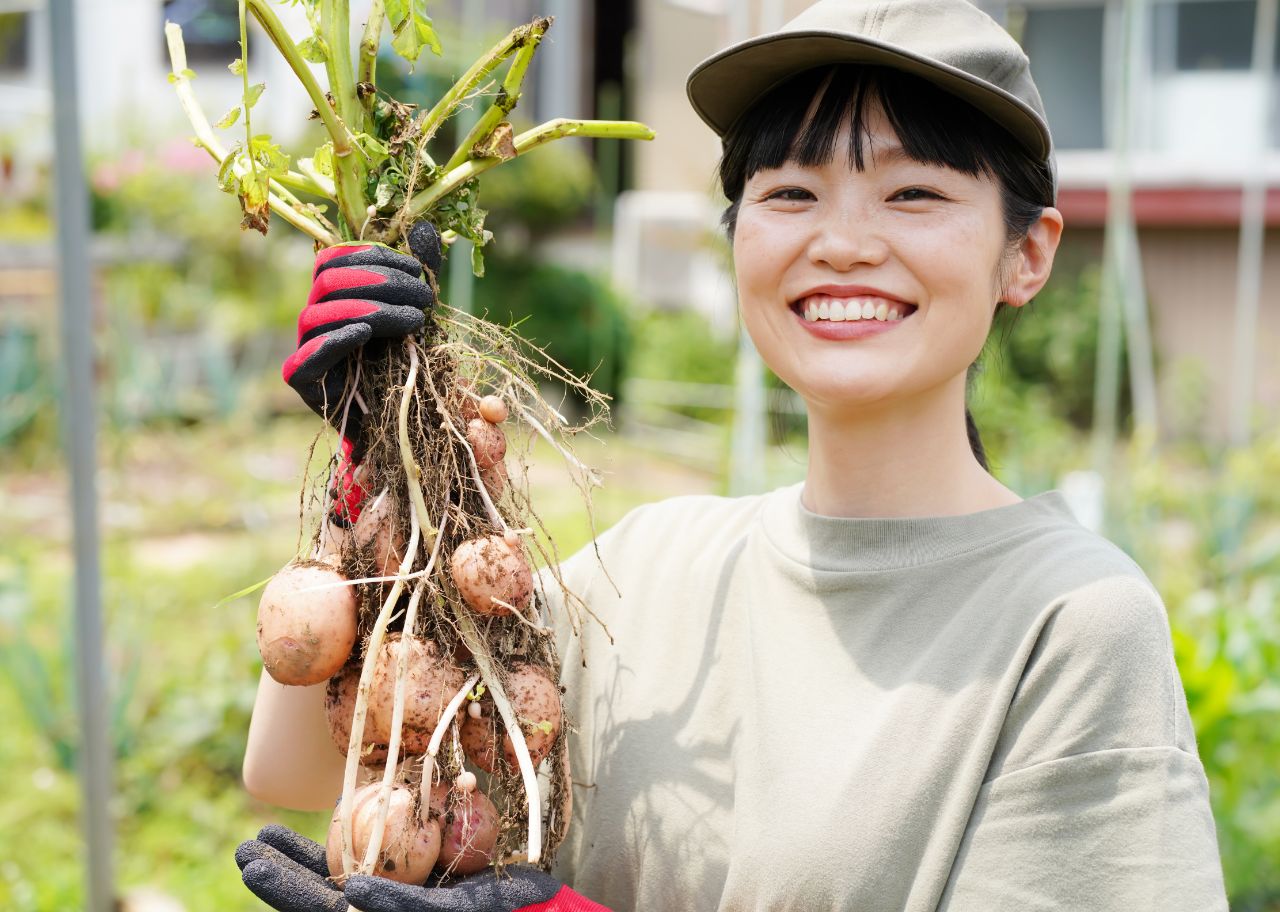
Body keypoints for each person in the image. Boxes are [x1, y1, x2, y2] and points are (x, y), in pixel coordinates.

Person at [234, 0, 1229, 909]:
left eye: (913, 193)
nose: (841, 242)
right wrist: (379, 477)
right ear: (737, 235)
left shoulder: (1069, 626)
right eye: (790, 192)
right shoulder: (648, 568)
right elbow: (302, 775)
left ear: (1028, 253)